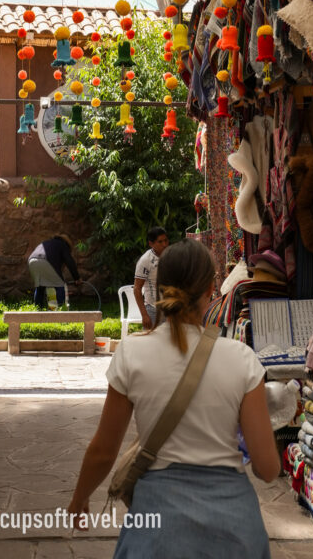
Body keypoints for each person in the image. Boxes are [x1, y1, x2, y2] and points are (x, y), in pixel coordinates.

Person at [68, 239, 280, 558]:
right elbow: (267, 468)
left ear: (158, 289)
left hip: (156, 533)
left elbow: (103, 450)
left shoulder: (132, 353)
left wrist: (79, 499)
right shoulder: (242, 359)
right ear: (212, 289)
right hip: (236, 533)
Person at [28, 233, 80, 309]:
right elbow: (70, 262)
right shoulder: (62, 245)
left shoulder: (48, 243)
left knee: (39, 287)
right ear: (67, 242)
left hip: (32, 261)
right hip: (45, 261)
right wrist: (77, 278)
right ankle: (61, 310)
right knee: (60, 285)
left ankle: (38, 310)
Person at [133, 227, 169, 329]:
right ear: (151, 244)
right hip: (153, 310)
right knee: (151, 343)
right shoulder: (145, 261)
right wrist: (144, 315)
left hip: (170, 310)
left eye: (166, 240)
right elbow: (137, 288)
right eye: (160, 242)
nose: (164, 244)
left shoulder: (170, 255)